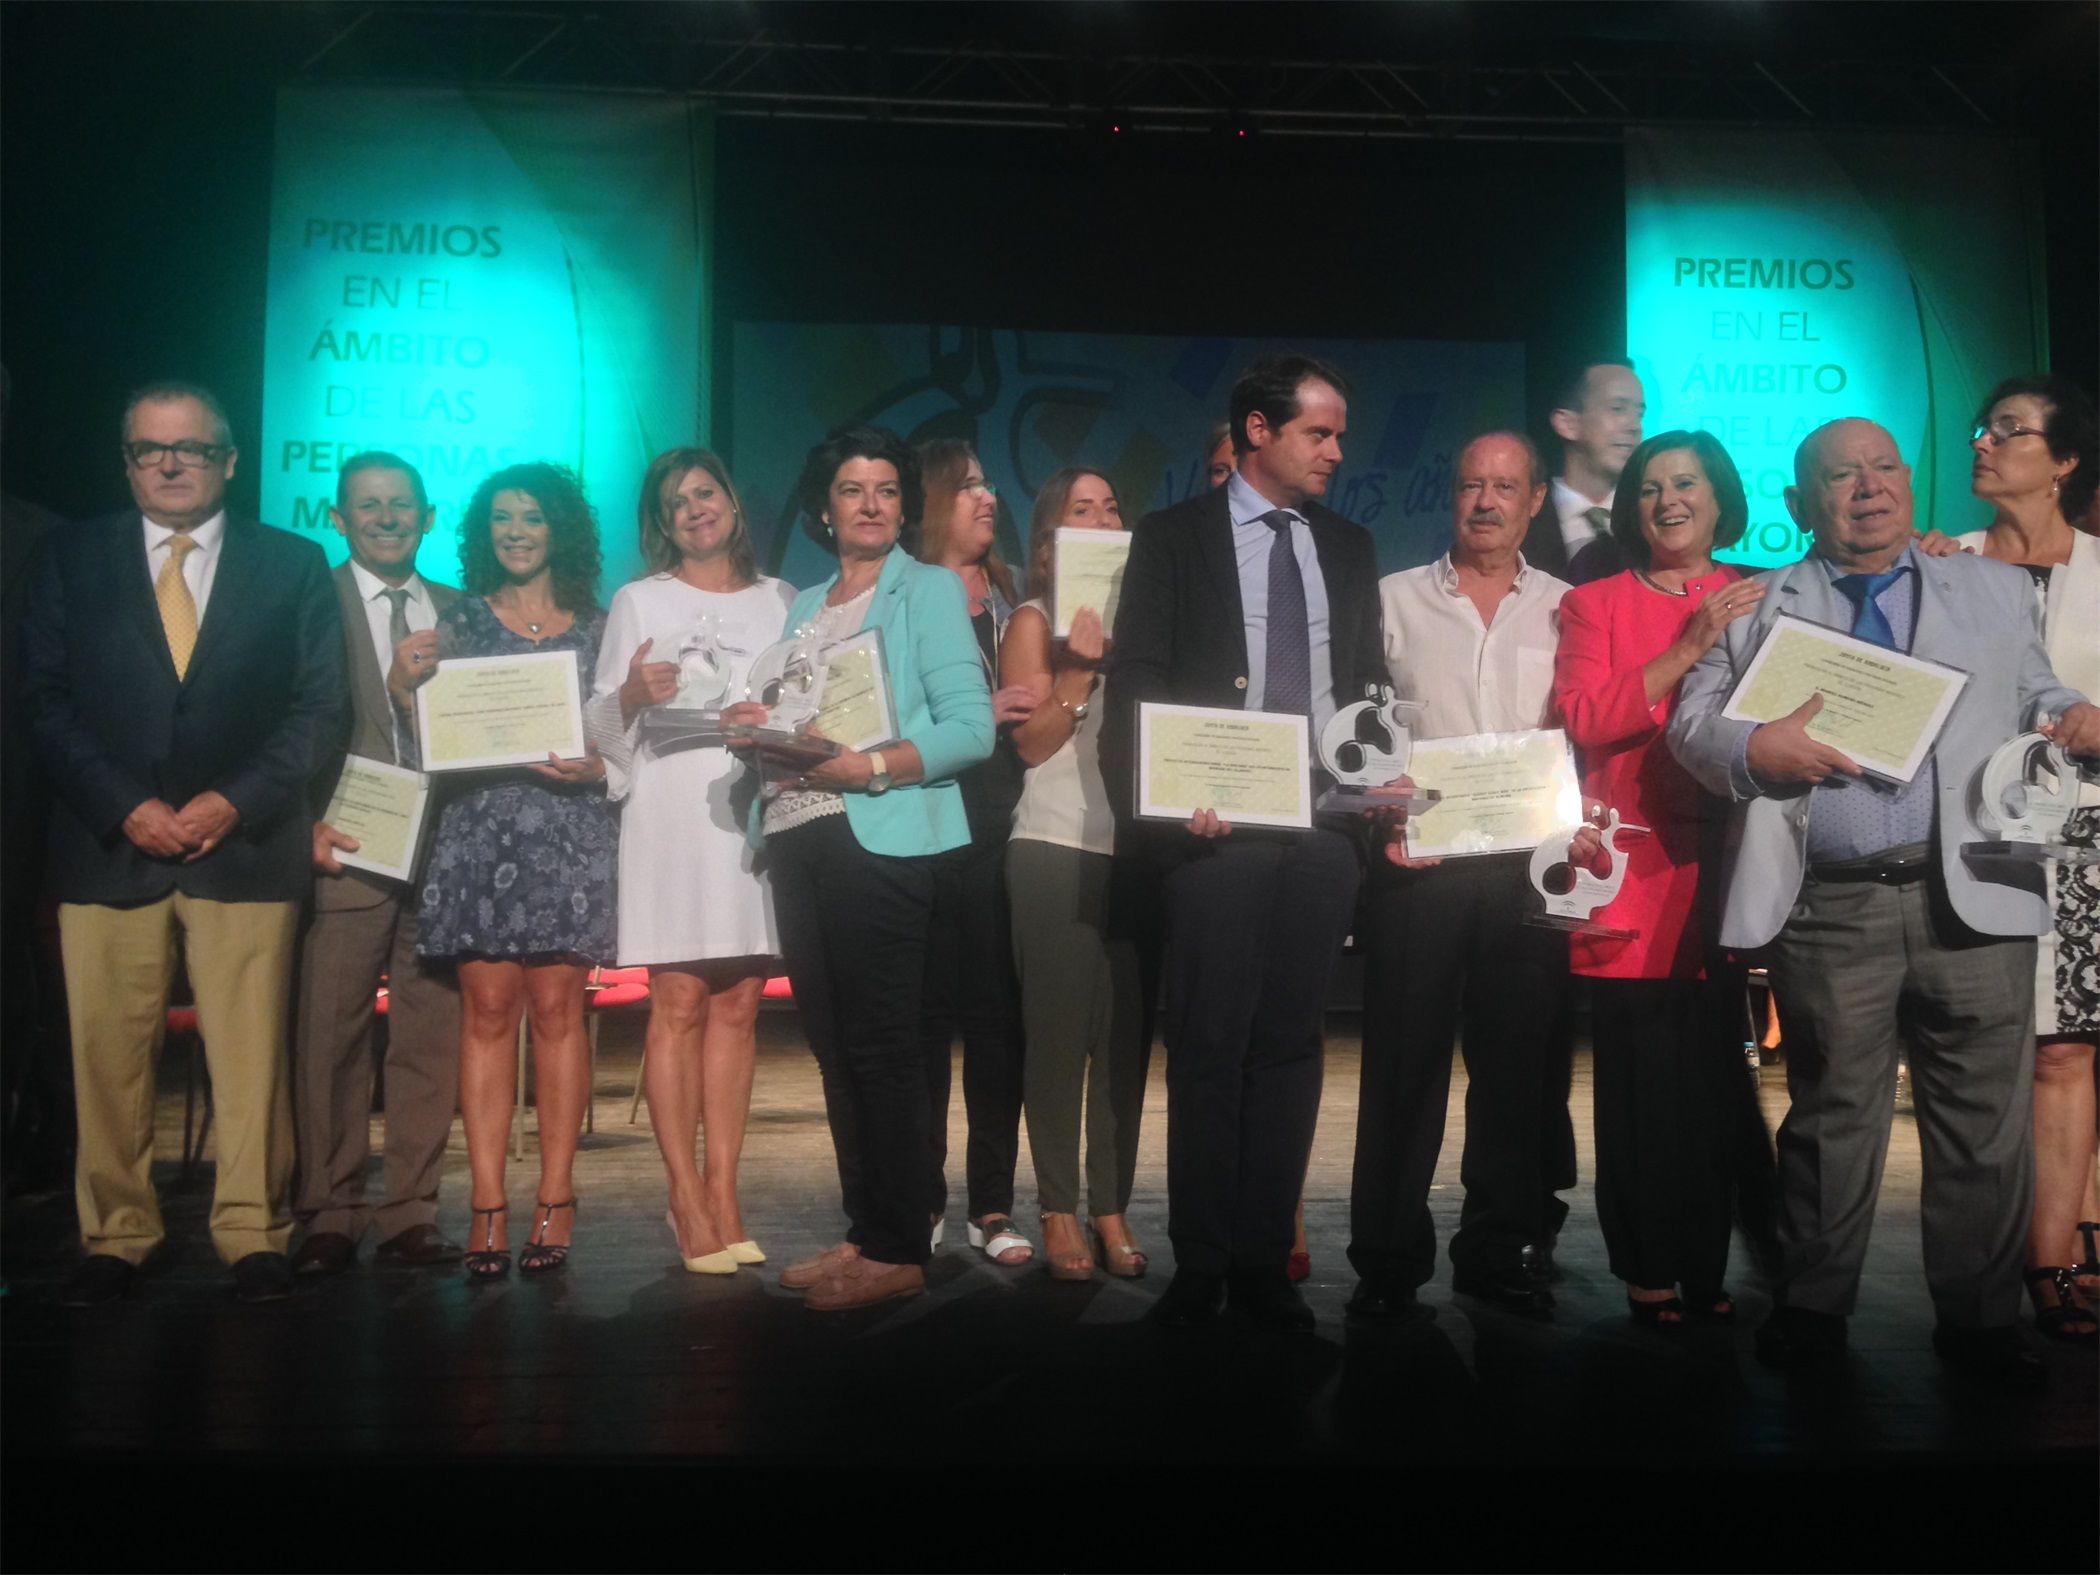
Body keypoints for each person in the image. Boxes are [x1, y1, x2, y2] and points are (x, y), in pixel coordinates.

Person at [1667, 418, 2100, 1390]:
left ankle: (1983, 1323)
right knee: (1830, 1118)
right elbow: (1691, 726)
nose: (1867, 488)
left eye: (1883, 468)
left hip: (1976, 891)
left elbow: (2036, 689)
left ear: (1910, 479)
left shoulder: (1991, 588)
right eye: (1839, 475)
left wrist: (2070, 715)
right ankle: (1815, 1309)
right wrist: (1750, 751)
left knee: (1985, 1127)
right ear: (1798, 504)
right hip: (1832, 904)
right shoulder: (1754, 606)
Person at [18, 382, 347, 1306]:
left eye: (190, 449)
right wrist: (125, 804)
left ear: (230, 462)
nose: (168, 464)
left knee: (250, 1055)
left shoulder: (291, 563)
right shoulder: (66, 558)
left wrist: (232, 803)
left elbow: (319, 708)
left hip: (242, 848)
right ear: (126, 462)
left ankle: (251, 1227)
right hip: (106, 844)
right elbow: (42, 701)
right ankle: (117, 1232)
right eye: (148, 450)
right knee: (104, 1055)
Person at [1103, 353, 1385, 1333]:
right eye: (1319, 432)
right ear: (1258, 432)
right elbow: (1134, 685)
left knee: (1290, 1049)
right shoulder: (1174, 538)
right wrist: (1167, 808)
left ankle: (1266, 1261)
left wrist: (1376, 786)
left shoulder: (1346, 545)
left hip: (1319, 832)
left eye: (1340, 433)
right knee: (1210, 1049)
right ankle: (1204, 1263)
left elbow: (1363, 685)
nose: (1336, 452)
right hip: (1212, 835)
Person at [730, 425, 993, 1312]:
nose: (872, 503)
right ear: (823, 508)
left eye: (886, 488)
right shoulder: (805, 605)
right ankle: (867, 1228)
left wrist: (871, 766)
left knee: (886, 1049)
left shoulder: (926, 590)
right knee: (838, 1050)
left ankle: (899, 1243)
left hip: (883, 833)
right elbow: (802, 722)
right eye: (853, 489)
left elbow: (970, 726)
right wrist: (755, 730)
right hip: (802, 834)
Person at [1346, 431, 1572, 1321]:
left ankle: (1497, 1246)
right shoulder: (1391, 600)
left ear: (1536, 499)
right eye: (1470, 484)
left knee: (1518, 1072)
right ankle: (1388, 1257)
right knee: (1402, 1068)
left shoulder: (1568, 607)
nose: (1485, 501)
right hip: (1421, 864)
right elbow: (1354, 726)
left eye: (1505, 486)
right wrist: (1377, 795)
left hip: (1527, 870)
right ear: (1452, 496)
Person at [1551, 429, 1772, 1325]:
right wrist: (1684, 649)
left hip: (1738, 865)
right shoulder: (1594, 603)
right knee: (1642, 1087)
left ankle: (1709, 1263)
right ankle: (1647, 1264)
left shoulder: (1766, 593)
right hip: (1635, 877)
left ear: (1720, 499)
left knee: (1718, 1084)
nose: (1667, 500)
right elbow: (1583, 715)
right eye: (1648, 487)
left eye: (1686, 483)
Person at [391, 462, 615, 1280]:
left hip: (569, 836)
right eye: (501, 519)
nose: (516, 531)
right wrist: (401, 690)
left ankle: (556, 1195)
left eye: (532, 517)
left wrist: (597, 768)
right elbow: (426, 750)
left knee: (559, 1011)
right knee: (487, 1012)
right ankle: (487, 1201)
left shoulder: (598, 627)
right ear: (484, 533)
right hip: (479, 834)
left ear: (562, 528)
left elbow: (620, 741)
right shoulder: (456, 624)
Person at [588, 448, 794, 1274]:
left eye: (706, 492)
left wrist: (770, 718)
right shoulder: (640, 599)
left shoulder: (780, 599)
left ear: (733, 503)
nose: (695, 509)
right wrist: (634, 696)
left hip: (748, 804)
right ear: (661, 523)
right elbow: (601, 723)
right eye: (677, 503)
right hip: (672, 807)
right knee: (676, 999)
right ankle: (685, 1195)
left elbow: (804, 701)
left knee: (741, 1001)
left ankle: (726, 1192)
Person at [1946, 377, 2100, 1342]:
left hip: (2086, 834)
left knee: (2069, 1047)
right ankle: (1994, 1262)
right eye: (1982, 428)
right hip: (1971, 835)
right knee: (1993, 1054)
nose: (1986, 444)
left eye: (2010, 431)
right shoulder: (1939, 561)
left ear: (2066, 458)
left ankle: (2055, 1259)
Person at [290, 452, 463, 1276]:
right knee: (333, 1033)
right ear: (337, 516)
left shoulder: (464, 611)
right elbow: (275, 723)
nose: (387, 517)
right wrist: (296, 822)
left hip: (444, 851)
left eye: (403, 504)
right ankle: (330, 1206)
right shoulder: (307, 601)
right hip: (347, 846)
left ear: (429, 516)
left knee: (430, 1035)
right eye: (368, 505)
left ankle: (411, 1208)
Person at [1002, 467, 1148, 1279]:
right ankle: (1059, 1208)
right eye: (1079, 509)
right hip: (1056, 844)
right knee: (1058, 1042)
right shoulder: (1032, 619)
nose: (1100, 516)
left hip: (1136, 853)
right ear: (1050, 542)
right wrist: (1082, 670)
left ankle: (1110, 1205)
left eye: (1111, 504)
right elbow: (1030, 743)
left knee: (1120, 1047)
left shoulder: (1151, 619)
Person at [914, 438, 1035, 1266]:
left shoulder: (1010, 596)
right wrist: (979, 710)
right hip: (923, 822)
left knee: (999, 1026)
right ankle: (919, 1198)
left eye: (989, 486)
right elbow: (879, 717)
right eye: (966, 489)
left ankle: (992, 1203)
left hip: (1002, 825)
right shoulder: (905, 596)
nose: (986, 499)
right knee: (923, 1024)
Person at [1526, 359, 1646, 586]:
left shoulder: (1651, 522)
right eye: (1618, 409)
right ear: (1567, 424)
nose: (1634, 426)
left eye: (1639, 414)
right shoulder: (1523, 521)